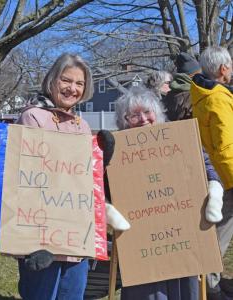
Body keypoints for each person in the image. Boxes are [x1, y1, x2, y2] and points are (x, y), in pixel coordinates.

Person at [16, 53, 124, 300]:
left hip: (76, 234)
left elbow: (85, 181)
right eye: (66, 80)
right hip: (42, 233)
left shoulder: (81, 125)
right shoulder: (33, 116)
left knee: (73, 295)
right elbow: (27, 176)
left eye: (79, 83)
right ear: (53, 80)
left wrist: (101, 161)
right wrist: (35, 241)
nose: (72, 88)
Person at [114, 85, 198, 300]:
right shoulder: (117, 151)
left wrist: (214, 191)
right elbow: (105, 186)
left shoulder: (179, 138)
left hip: (180, 232)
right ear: (124, 121)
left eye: (147, 112)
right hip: (141, 239)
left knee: (183, 286)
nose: (142, 119)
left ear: (157, 112)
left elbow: (204, 166)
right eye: (134, 115)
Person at [190, 46, 233, 300]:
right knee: (221, 234)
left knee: (217, 232)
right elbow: (226, 145)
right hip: (225, 177)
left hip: (215, 173)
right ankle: (210, 285)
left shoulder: (201, 94)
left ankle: (212, 281)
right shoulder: (217, 97)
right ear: (222, 68)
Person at [163, 52, 224, 224]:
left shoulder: (166, 100)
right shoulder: (197, 97)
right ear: (195, 75)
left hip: (174, 161)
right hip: (202, 156)